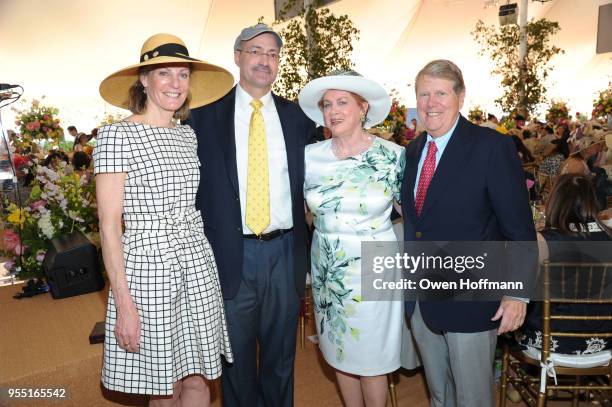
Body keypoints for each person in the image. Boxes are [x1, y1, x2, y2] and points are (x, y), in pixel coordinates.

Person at [94, 33, 235, 406]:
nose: (175, 84)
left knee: (199, 377)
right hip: (148, 266)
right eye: (164, 74)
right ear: (143, 79)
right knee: (163, 386)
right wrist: (123, 302)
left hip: (196, 260)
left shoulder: (187, 135)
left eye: (183, 75)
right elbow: (109, 226)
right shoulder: (116, 135)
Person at [187, 24, 315, 407]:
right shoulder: (203, 118)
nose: (265, 60)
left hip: (284, 254)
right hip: (230, 256)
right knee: (235, 364)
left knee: (280, 361)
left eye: (273, 53)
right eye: (256, 50)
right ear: (238, 56)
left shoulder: (300, 119)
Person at [401, 60, 536, 407]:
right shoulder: (414, 152)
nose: (431, 103)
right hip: (422, 298)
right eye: (424, 94)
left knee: (471, 397)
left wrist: (517, 295)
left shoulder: (491, 148)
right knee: (439, 395)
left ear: (461, 96)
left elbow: (519, 229)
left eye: (441, 93)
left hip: (472, 298)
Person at [299, 70, 404, 406]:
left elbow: (417, 215)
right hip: (328, 269)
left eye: (343, 102)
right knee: (339, 351)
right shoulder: (310, 156)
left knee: (373, 358)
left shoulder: (394, 156)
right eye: (328, 104)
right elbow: (306, 213)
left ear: (363, 108)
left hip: (376, 266)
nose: (333, 110)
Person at [518, 174, 612, 354]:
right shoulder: (608, 236)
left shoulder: (543, 241)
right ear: (591, 202)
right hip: (605, 341)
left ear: (556, 201)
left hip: (552, 340)